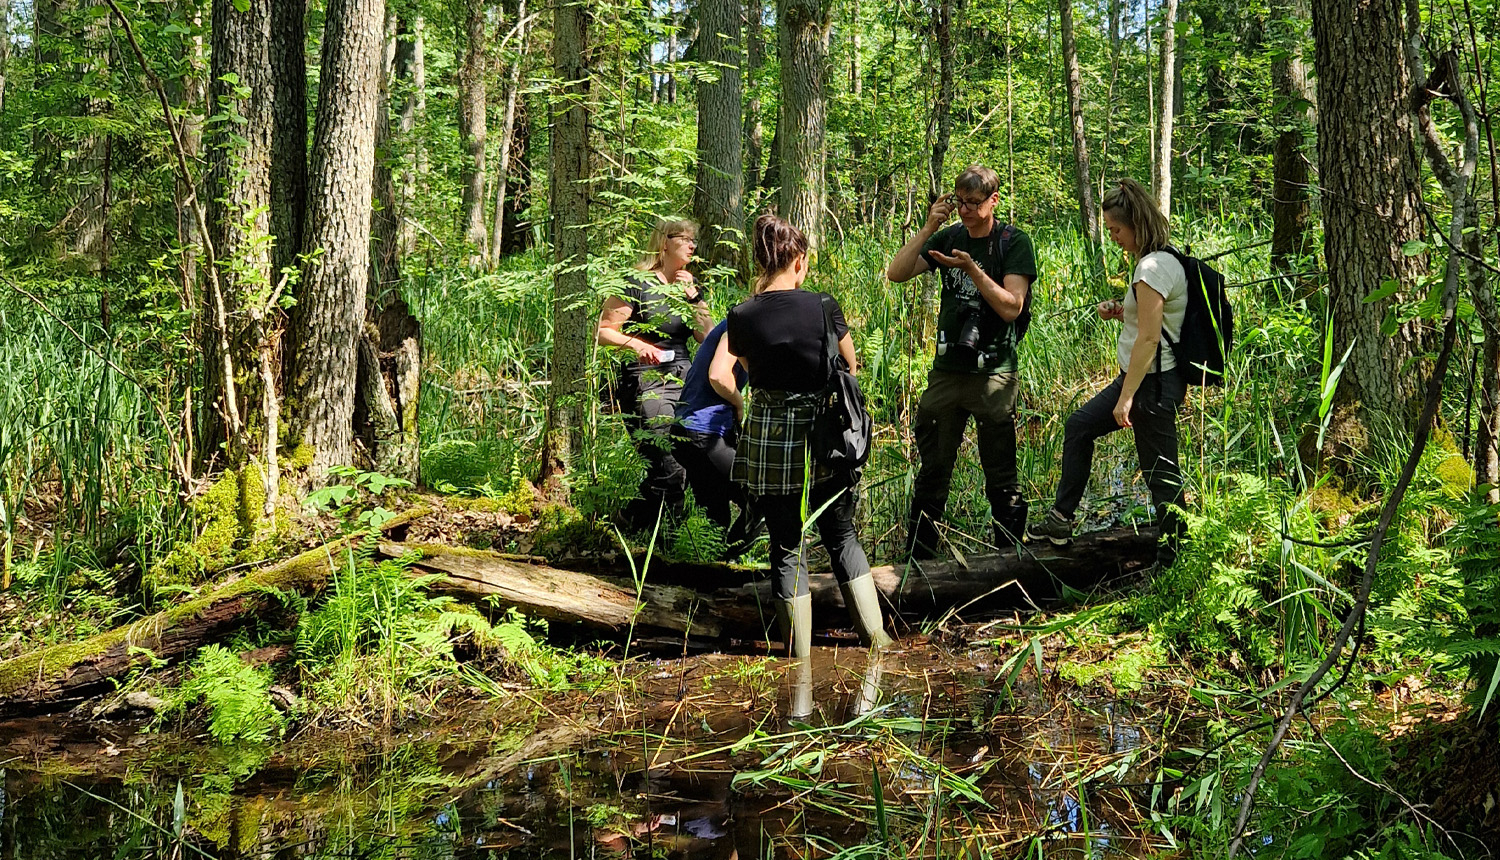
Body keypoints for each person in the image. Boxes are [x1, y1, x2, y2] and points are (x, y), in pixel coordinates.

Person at [716, 214, 894, 658]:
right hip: (825, 438)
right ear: (797, 260)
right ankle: (877, 643)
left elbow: (744, 374)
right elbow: (849, 366)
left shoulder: (741, 314)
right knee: (841, 534)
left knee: (785, 545)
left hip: (771, 436)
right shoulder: (822, 306)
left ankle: (799, 662)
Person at [1029, 178, 1188, 569]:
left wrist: (1127, 396)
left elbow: (1150, 340)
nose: (1113, 237)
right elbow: (1153, 319)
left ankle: (1177, 560)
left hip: (1151, 385)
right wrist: (1122, 309)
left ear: (1135, 223)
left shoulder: (1151, 268)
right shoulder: (1160, 261)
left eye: (1116, 230)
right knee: (1080, 426)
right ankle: (1061, 520)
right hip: (1144, 381)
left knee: (1161, 475)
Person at [885, 165, 1039, 559]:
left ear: (993, 201)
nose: (965, 211)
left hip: (994, 374)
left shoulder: (1013, 242)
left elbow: (1012, 307)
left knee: (1001, 477)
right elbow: (897, 273)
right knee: (933, 472)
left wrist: (972, 268)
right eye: (959, 202)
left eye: (973, 203)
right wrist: (926, 229)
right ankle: (919, 562)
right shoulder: (949, 236)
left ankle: (1007, 561)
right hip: (947, 373)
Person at [596, 218, 712, 529]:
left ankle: (653, 533)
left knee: (692, 460)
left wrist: (694, 298)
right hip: (646, 379)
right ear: (664, 243)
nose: (691, 245)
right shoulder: (635, 282)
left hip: (684, 378)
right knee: (668, 463)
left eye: (693, 240)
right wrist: (636, 344)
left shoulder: (689, 287)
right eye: (684, 239)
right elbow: (604, 332)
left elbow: (707, 336)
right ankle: (630, 526)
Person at [670, 315, 763, 557]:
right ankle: (727, 563)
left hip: (689, 432)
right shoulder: (742, 325)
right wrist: (739, 403)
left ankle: (706, 573)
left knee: (716, 516)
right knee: (762, 500)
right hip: (703, 433)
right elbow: (718, 375)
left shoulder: (737, 325)